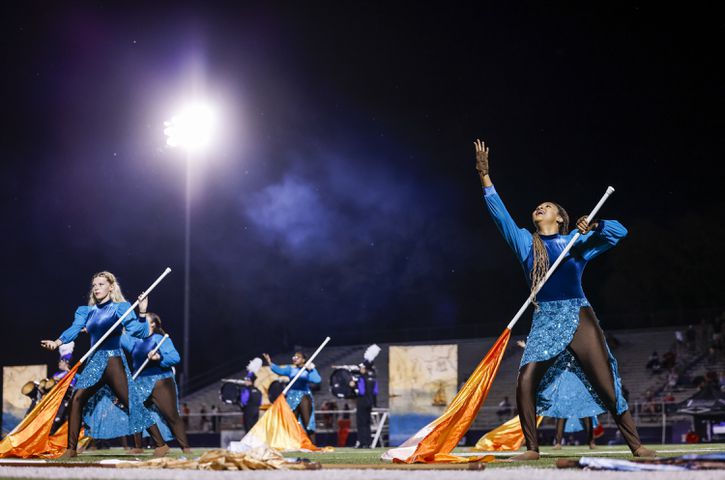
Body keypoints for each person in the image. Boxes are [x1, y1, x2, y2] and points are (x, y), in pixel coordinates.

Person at [474, 140, 655, 460]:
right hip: (544, 319)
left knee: (605, 383)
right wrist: (485, 176)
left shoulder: (575, 241)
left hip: (579, 315)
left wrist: (595, 224)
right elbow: (500, 215)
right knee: (525, 379)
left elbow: (620, 233)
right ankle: (532, 448)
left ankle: (636, 445)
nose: (539, 207)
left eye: (547, 205)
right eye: (537, 206)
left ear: (560, 218)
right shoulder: (524, 242)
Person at [40, 271, 168, 459]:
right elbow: (74, 329)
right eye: (94, 285)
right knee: (77, 400)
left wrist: (141, 312)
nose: (97, 288)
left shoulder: (120, 308)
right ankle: (71, 449)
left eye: (101, 284)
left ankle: (161, 444)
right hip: (94, 362)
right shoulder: (86, 311)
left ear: (110, 287)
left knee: (131, 402)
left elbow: (138, 332)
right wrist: (58, 342)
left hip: (113, 361)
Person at [119, 308, 191, 454]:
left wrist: (159, 358)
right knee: (137, 412)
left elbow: (175, 358)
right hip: (140, 383)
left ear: (152, 324)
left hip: (160, 382)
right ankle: (139, 447)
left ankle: (185, 448)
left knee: (171, 415)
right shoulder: (135, 341)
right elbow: (119, 335)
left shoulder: (161, 339)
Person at [263, 351, 321, 442]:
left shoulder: (307, 370)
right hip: (291, 397)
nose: (295, 358)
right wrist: (270, 362)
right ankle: (293, 443)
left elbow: (317, 380)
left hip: (304, 396)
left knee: (307, 422)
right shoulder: (290, 369)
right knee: (291, 421)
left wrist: (311, 370)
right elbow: (279, 370)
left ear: (303, 360)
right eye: (294, 356)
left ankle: (312, 444)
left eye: (298, 357)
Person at [353, 344, 380, 448]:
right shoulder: (373, 376)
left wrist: (353, 384)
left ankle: (362, 442)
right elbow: (375, 391)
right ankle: (368, 442)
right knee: (367, 423)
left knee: (361, 423)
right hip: (370, 402)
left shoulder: (362, 377)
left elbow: (361, 391)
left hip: (362, 401)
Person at [241, 358, 263, 433]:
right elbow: (260, 402)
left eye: (246, 380)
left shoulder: (246, 390)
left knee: (248, 429)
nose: (245, 381)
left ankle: (248, 443)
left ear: (250, 381)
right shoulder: (258, 390)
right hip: (256, 410)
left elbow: (243, 401)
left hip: (248, 410)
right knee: (254, 428)